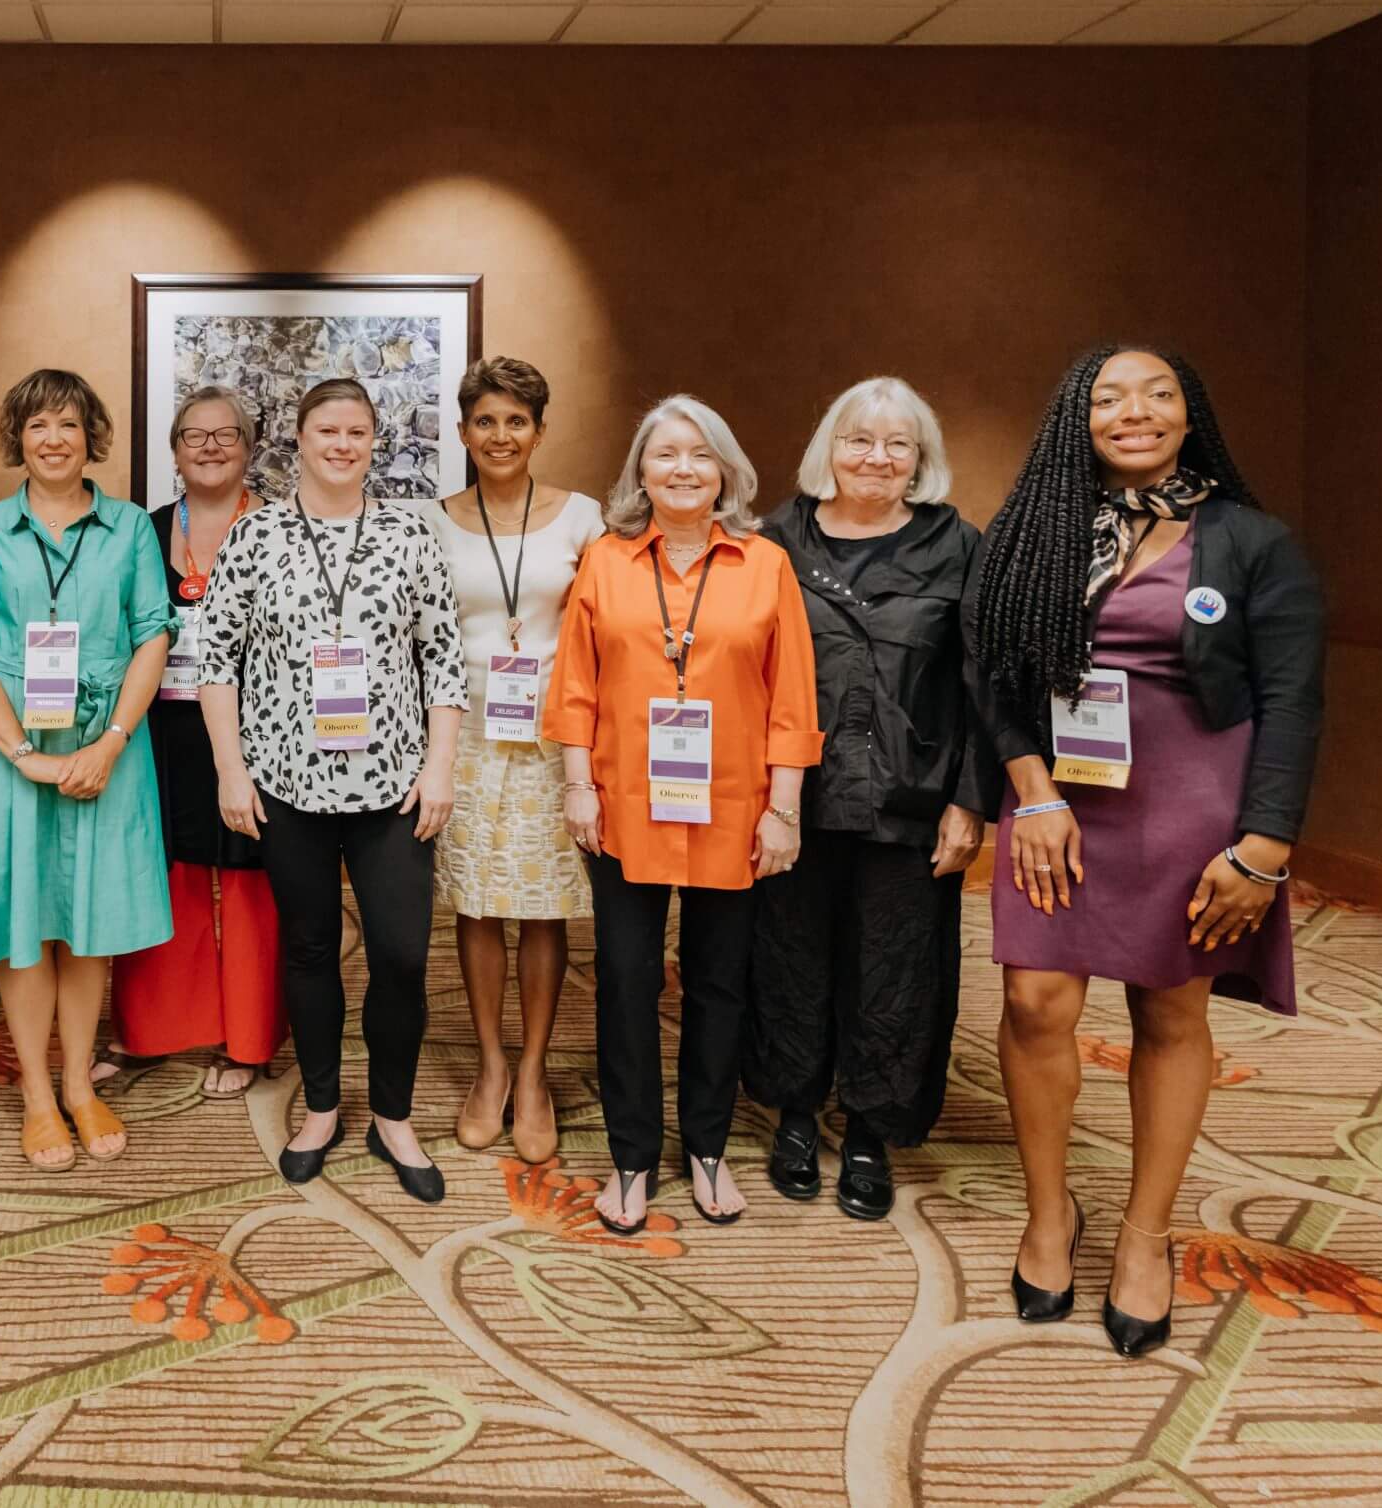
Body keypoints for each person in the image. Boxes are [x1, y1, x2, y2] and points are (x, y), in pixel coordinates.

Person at [966, 344, 1321, 1358]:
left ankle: (1142, 1235)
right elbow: (989, 668)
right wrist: (1027, 789)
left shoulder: (1250, 541)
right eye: (1107, 397)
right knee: (1034, 1002)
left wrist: (1259, 849)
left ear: (1187, 412)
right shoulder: (1032, 531)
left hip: (1191, 804)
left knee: (1169, 1009)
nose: (1133, 411)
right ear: (1075, 419)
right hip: (1056, 802)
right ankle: (1048, 1214)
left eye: (1157, 393)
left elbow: (1292, 700)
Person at [544, 395, 820, 1236]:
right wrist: (576, 785)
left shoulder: (766, 564)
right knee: (625, 983)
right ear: (640, 473)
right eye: (664, 454)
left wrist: (783, 810)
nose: (682, 469)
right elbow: (574, 686)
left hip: (734, 809)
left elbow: (791, 696)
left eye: (700, 455)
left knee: (718, 985)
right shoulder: (605, 560)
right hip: (623, 804)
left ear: (726, 471)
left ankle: (705, 1145)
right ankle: (630, 1156)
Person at [200, 378, 467, 1203]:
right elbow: (216, 661)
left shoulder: (409, 533)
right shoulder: (257, 535)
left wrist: (440, 768)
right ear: (299, 439)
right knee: (310, 949)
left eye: (357, 431)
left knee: (399, 955)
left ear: (373, 441)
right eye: (327, 430)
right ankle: (319, 1106)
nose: (342, 444)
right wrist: (231, 770)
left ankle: (392, 1113)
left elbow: (444, 658)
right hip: (286, 786)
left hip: (393, 787)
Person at [745, 377, 997, 1221]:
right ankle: (791, 1110)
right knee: (787, 953)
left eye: (898, 445)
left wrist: (970, 801)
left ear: (919, 461)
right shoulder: (773, 539)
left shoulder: (957, 545)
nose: (876, 458)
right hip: (791, 795)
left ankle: (866, 1127)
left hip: (909, 797)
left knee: (895, 966)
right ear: (829, 448)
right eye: (859, 440)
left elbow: (980, 684)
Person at [0, 369, 175, 1170]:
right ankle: (35, 1095)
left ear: (90, 434)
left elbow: (151, 634)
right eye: (36, 427)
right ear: (16, 441)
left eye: (67, 423)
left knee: (88, 929)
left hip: (107, 746)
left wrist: (112, 742)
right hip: (6, 751)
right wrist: (22, 753)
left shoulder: (129, 526)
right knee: (25, 931)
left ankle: (78, 1085)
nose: (53, 439)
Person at [418, 357, 602, 1164]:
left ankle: (533, 1073)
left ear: (539, 430)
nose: (500, 436)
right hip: (460, 737)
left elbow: (601, 634)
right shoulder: (429, 520)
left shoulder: (583, 518)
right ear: (462, 432)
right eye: (484, 421)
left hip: (552, 739)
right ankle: (490, 1066)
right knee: (476, 903)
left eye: (516, 421)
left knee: (542, 905)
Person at [110, 386, 286, 1097]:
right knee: (161, 875)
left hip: (259, 731)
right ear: (174, 450)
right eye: (194, 436)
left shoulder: (278, 528)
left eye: (226, 435)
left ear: (249, 447)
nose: (210, 447)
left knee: (251, 885)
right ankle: (151, 1029)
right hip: (158, 728)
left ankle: (249, 1039)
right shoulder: (141, 532)